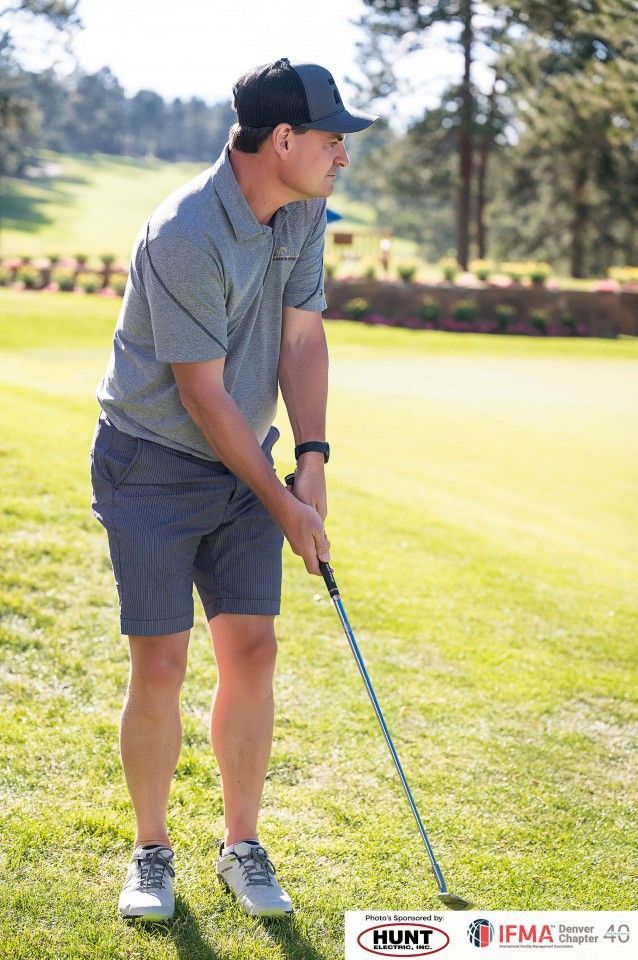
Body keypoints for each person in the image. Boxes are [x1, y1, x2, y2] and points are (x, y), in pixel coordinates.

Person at [90, 57, 376, 922]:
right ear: (282, 139)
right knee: (164, 659)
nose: (343, 157)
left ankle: (241, 845)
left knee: (252, 650)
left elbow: (302, 337)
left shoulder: (304, 208)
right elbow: (202, 393)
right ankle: (150, 853)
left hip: (244, 454)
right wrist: (282, 503)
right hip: (153, 464)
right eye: (332, 140)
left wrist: (314, 459)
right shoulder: (183, 232)